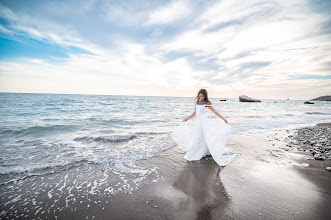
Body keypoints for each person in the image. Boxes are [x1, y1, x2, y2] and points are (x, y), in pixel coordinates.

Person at [172, 89, 239, 166]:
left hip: (204, 123)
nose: (201, 97)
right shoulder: (197, 102)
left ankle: (199, 152)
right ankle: (201, 151)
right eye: (200, 96)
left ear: (205, 96)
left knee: (202, 137)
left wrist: (223, 119)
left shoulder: (207, 103)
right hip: (198, 122)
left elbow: (215, 112)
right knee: (198, 137)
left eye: (202, 96)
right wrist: (187, 118)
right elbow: (195, 112)